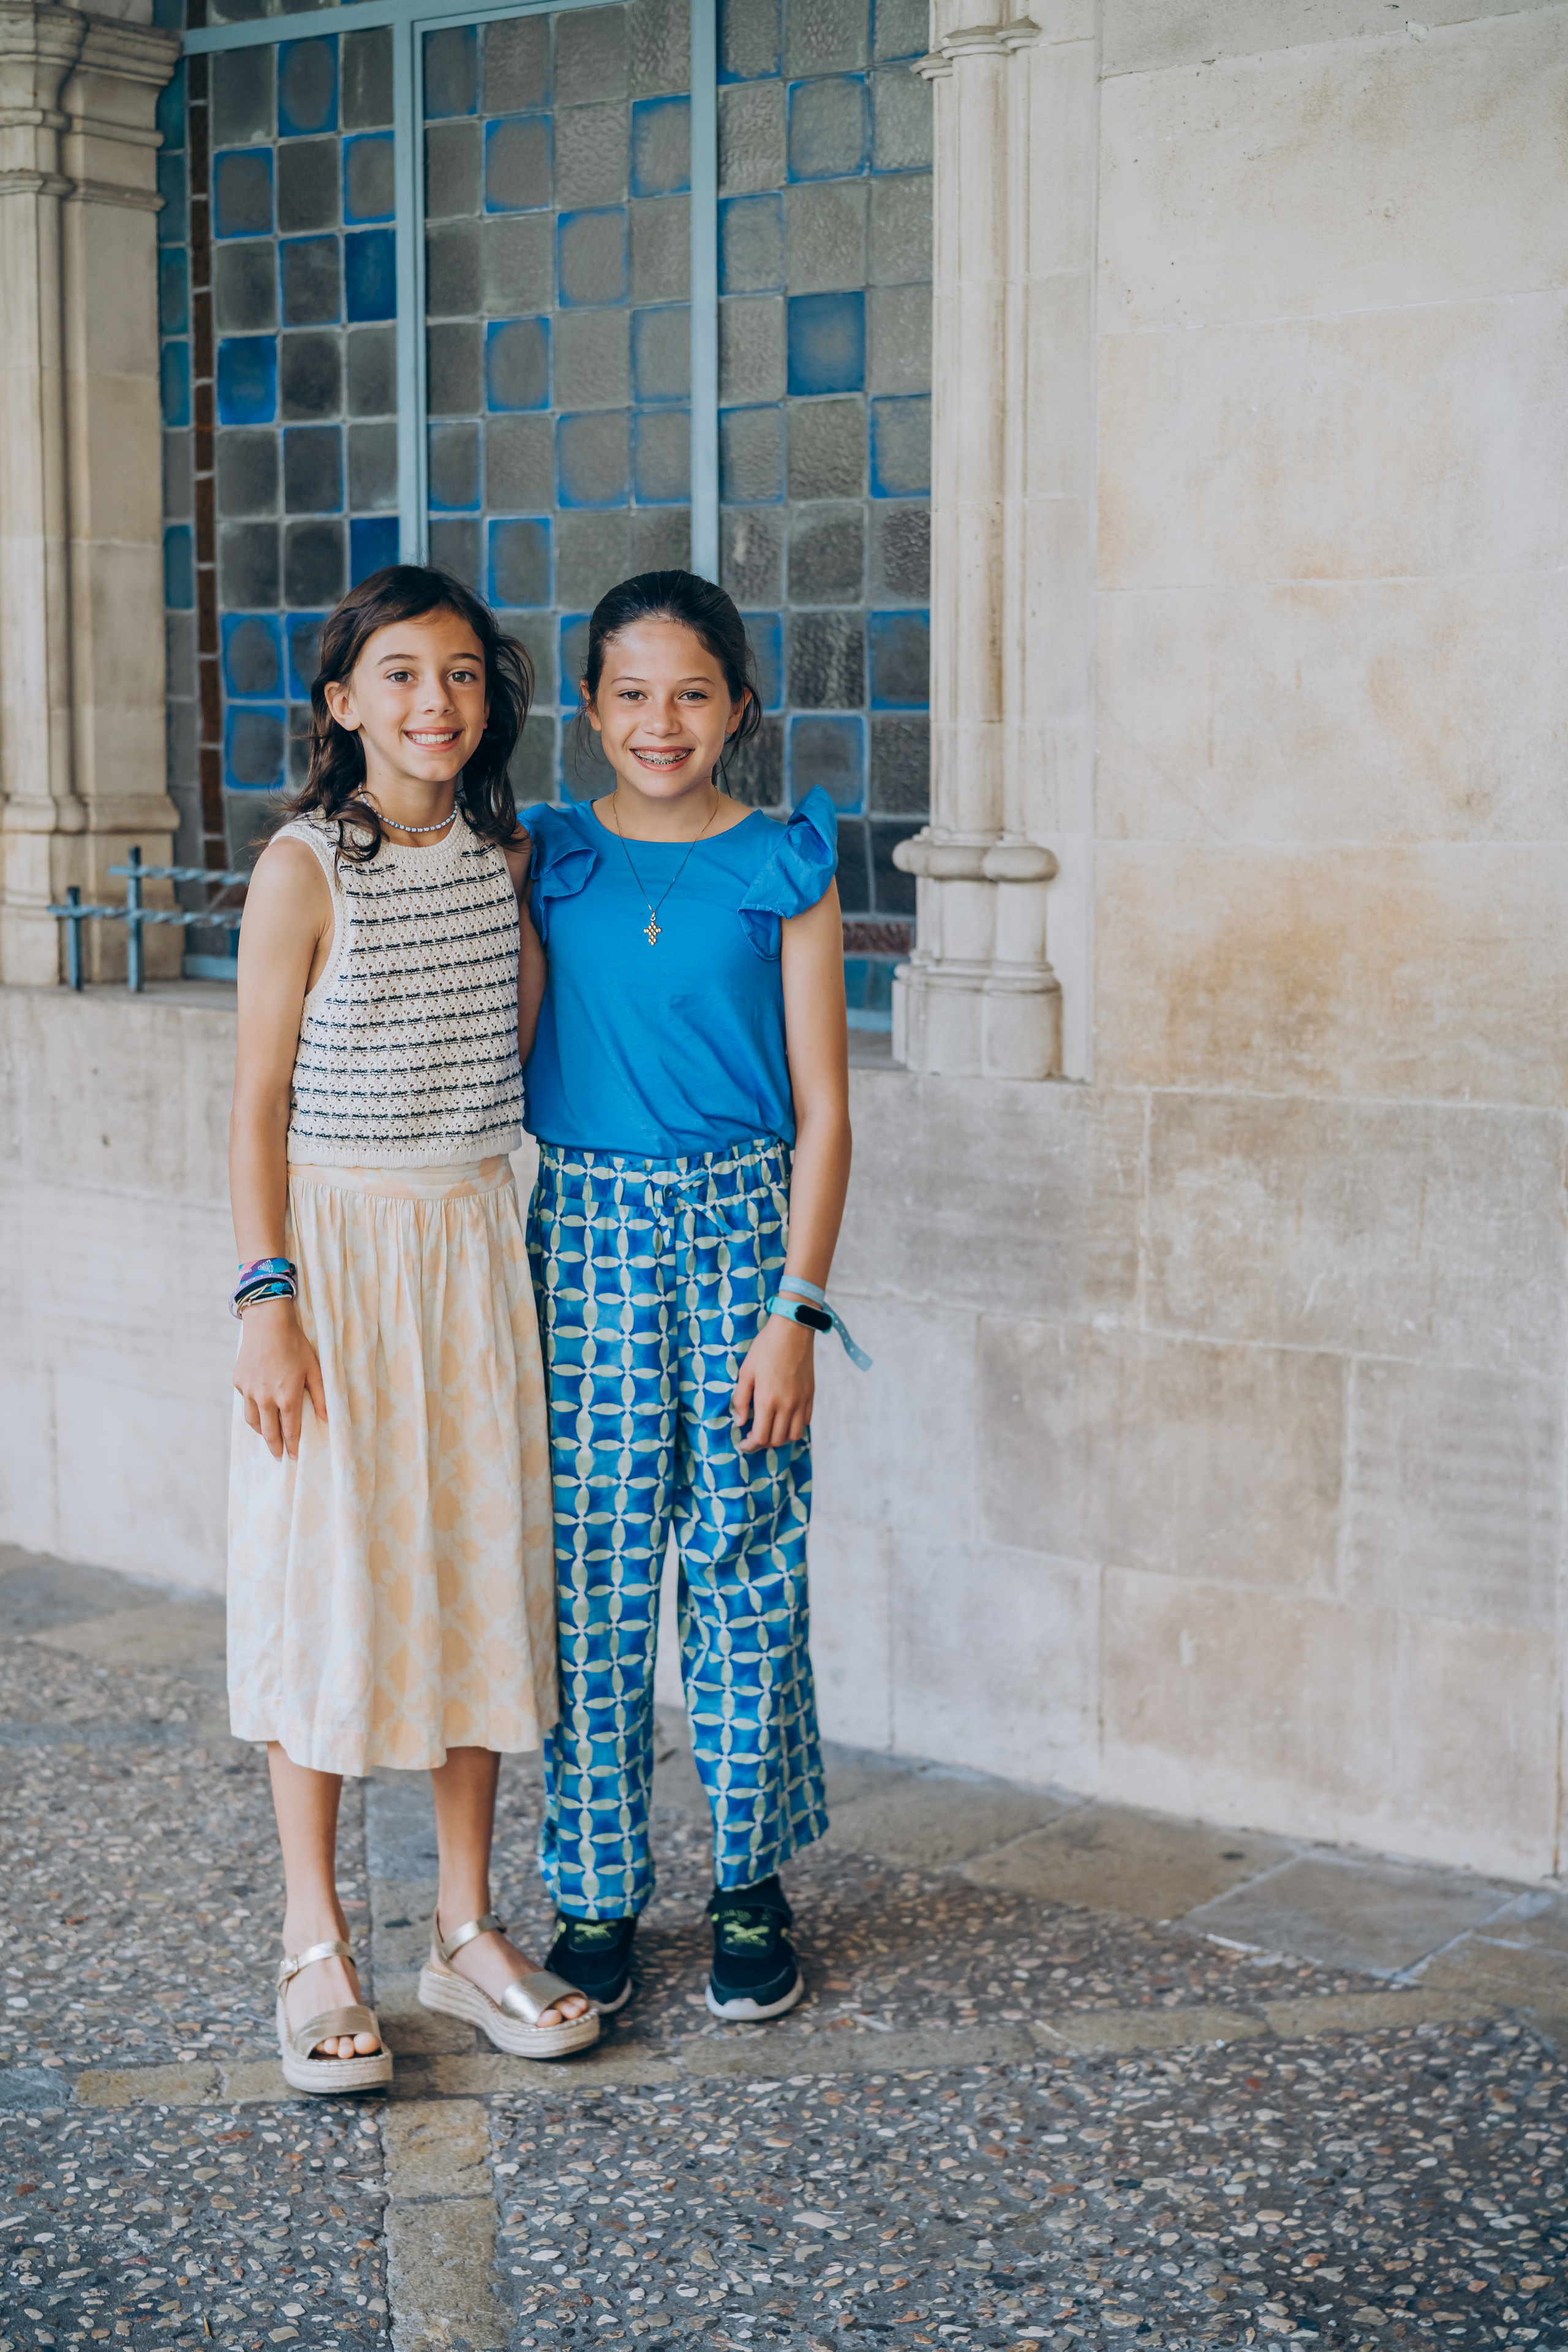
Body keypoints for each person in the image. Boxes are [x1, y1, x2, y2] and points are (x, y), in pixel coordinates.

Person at [227, 564, 598, 2094]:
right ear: (342, 702)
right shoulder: (304, 866)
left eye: (457, 674)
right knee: (325, 1577)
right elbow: (253, 1100)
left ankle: (461, 1925)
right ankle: (314, 1940)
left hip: (470, 1246)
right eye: (396, 674)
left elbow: (506, 1056)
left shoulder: (510, 861)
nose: (431, 702)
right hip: (335, 1251)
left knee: (475, 1569)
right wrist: (267, 1298)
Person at [519, 569, 866, 2024]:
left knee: (742, 1562)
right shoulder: (543, 855)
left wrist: (794, 1309)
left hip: (740, 1234)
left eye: (691, 693)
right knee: (589, 1571)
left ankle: (746, 1884)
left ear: (738, 705)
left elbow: (828, 1109)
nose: (659, 723)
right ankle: (593, 1892)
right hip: (580, 1229)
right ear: (588, 706)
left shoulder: (782, 862)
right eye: (629, 693)